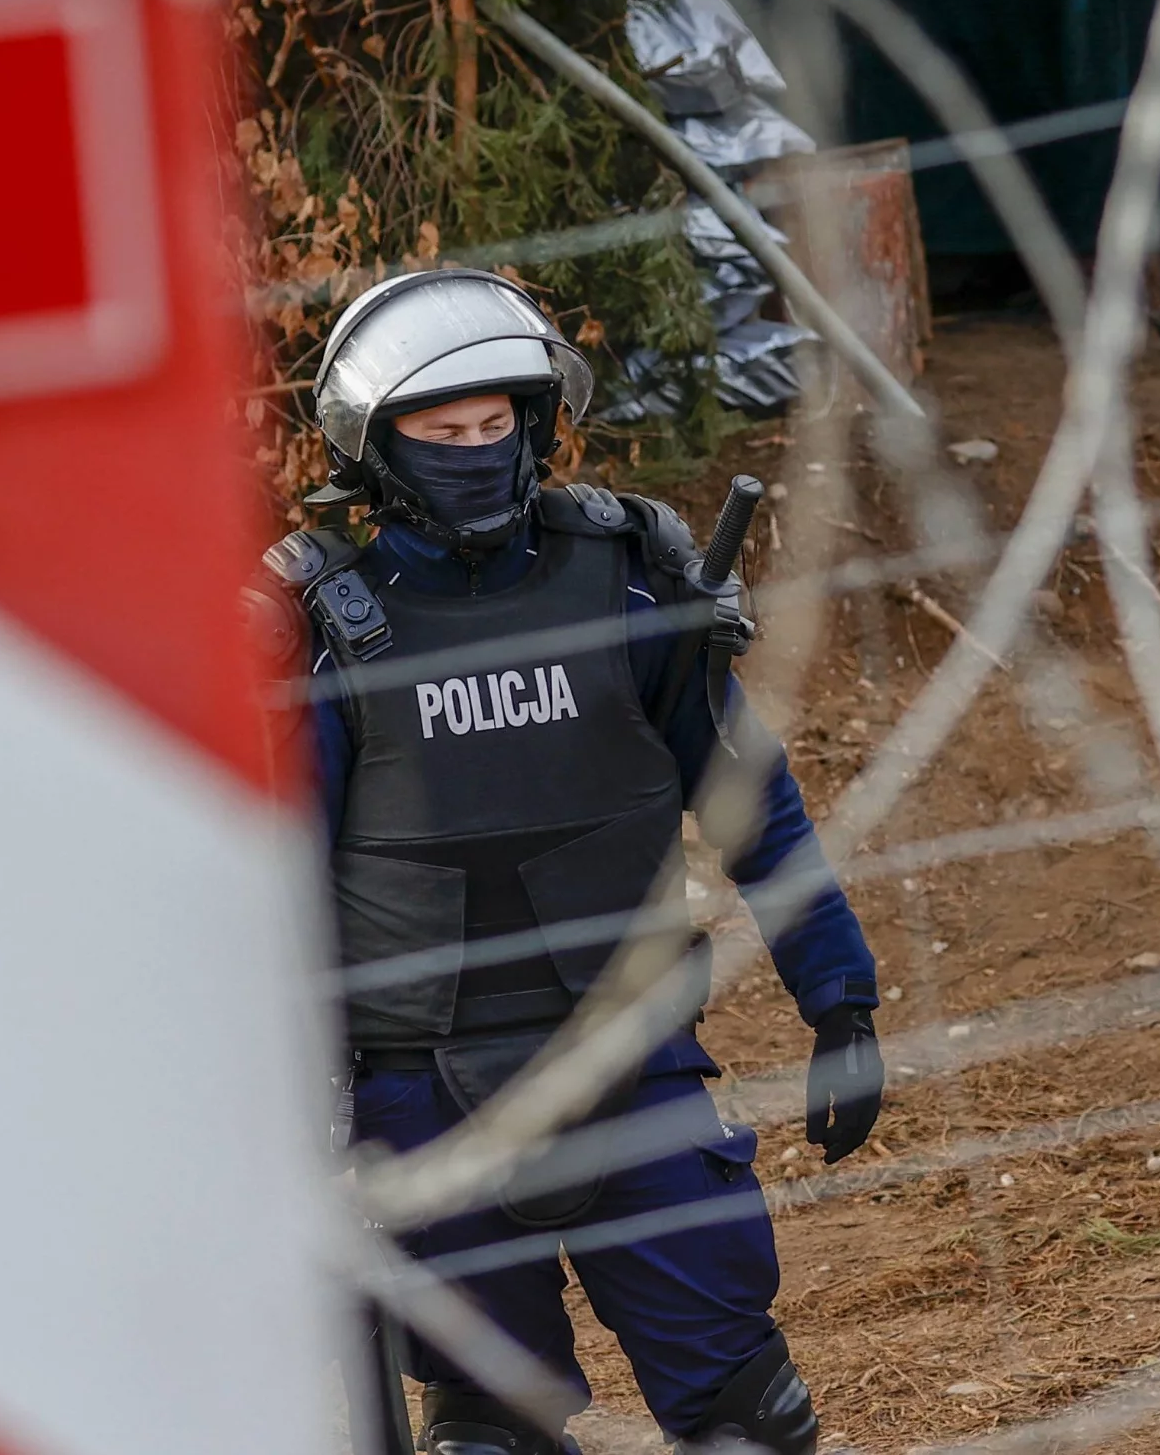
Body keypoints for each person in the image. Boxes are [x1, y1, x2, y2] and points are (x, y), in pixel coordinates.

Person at [263, 268, 884, 1455]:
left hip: (632, 1057)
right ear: (373, 444)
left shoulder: (629, 576)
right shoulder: (325, 628)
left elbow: (752, 801)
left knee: (746, 1419)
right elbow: (278, 892)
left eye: (495, 424)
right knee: (489, 1430)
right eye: (440, 432)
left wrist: (838, 999)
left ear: (537, 423)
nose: (474, 451)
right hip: (419, 1095)